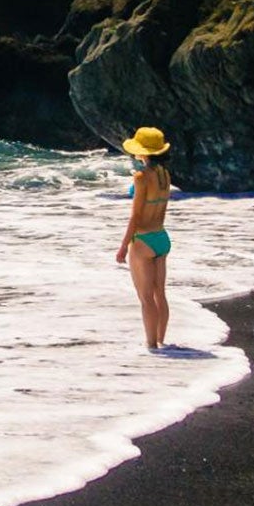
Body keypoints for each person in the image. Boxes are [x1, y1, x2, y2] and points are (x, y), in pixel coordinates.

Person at [115, 126, 173, 349]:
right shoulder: (164, 175)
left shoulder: (141, 177)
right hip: (161, 237)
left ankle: (151, 347)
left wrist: (122, 247)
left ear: (144, 152)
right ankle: (161, 341)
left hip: (143, 240)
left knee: (146, 298)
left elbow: (136, 216)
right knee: (160, 294)